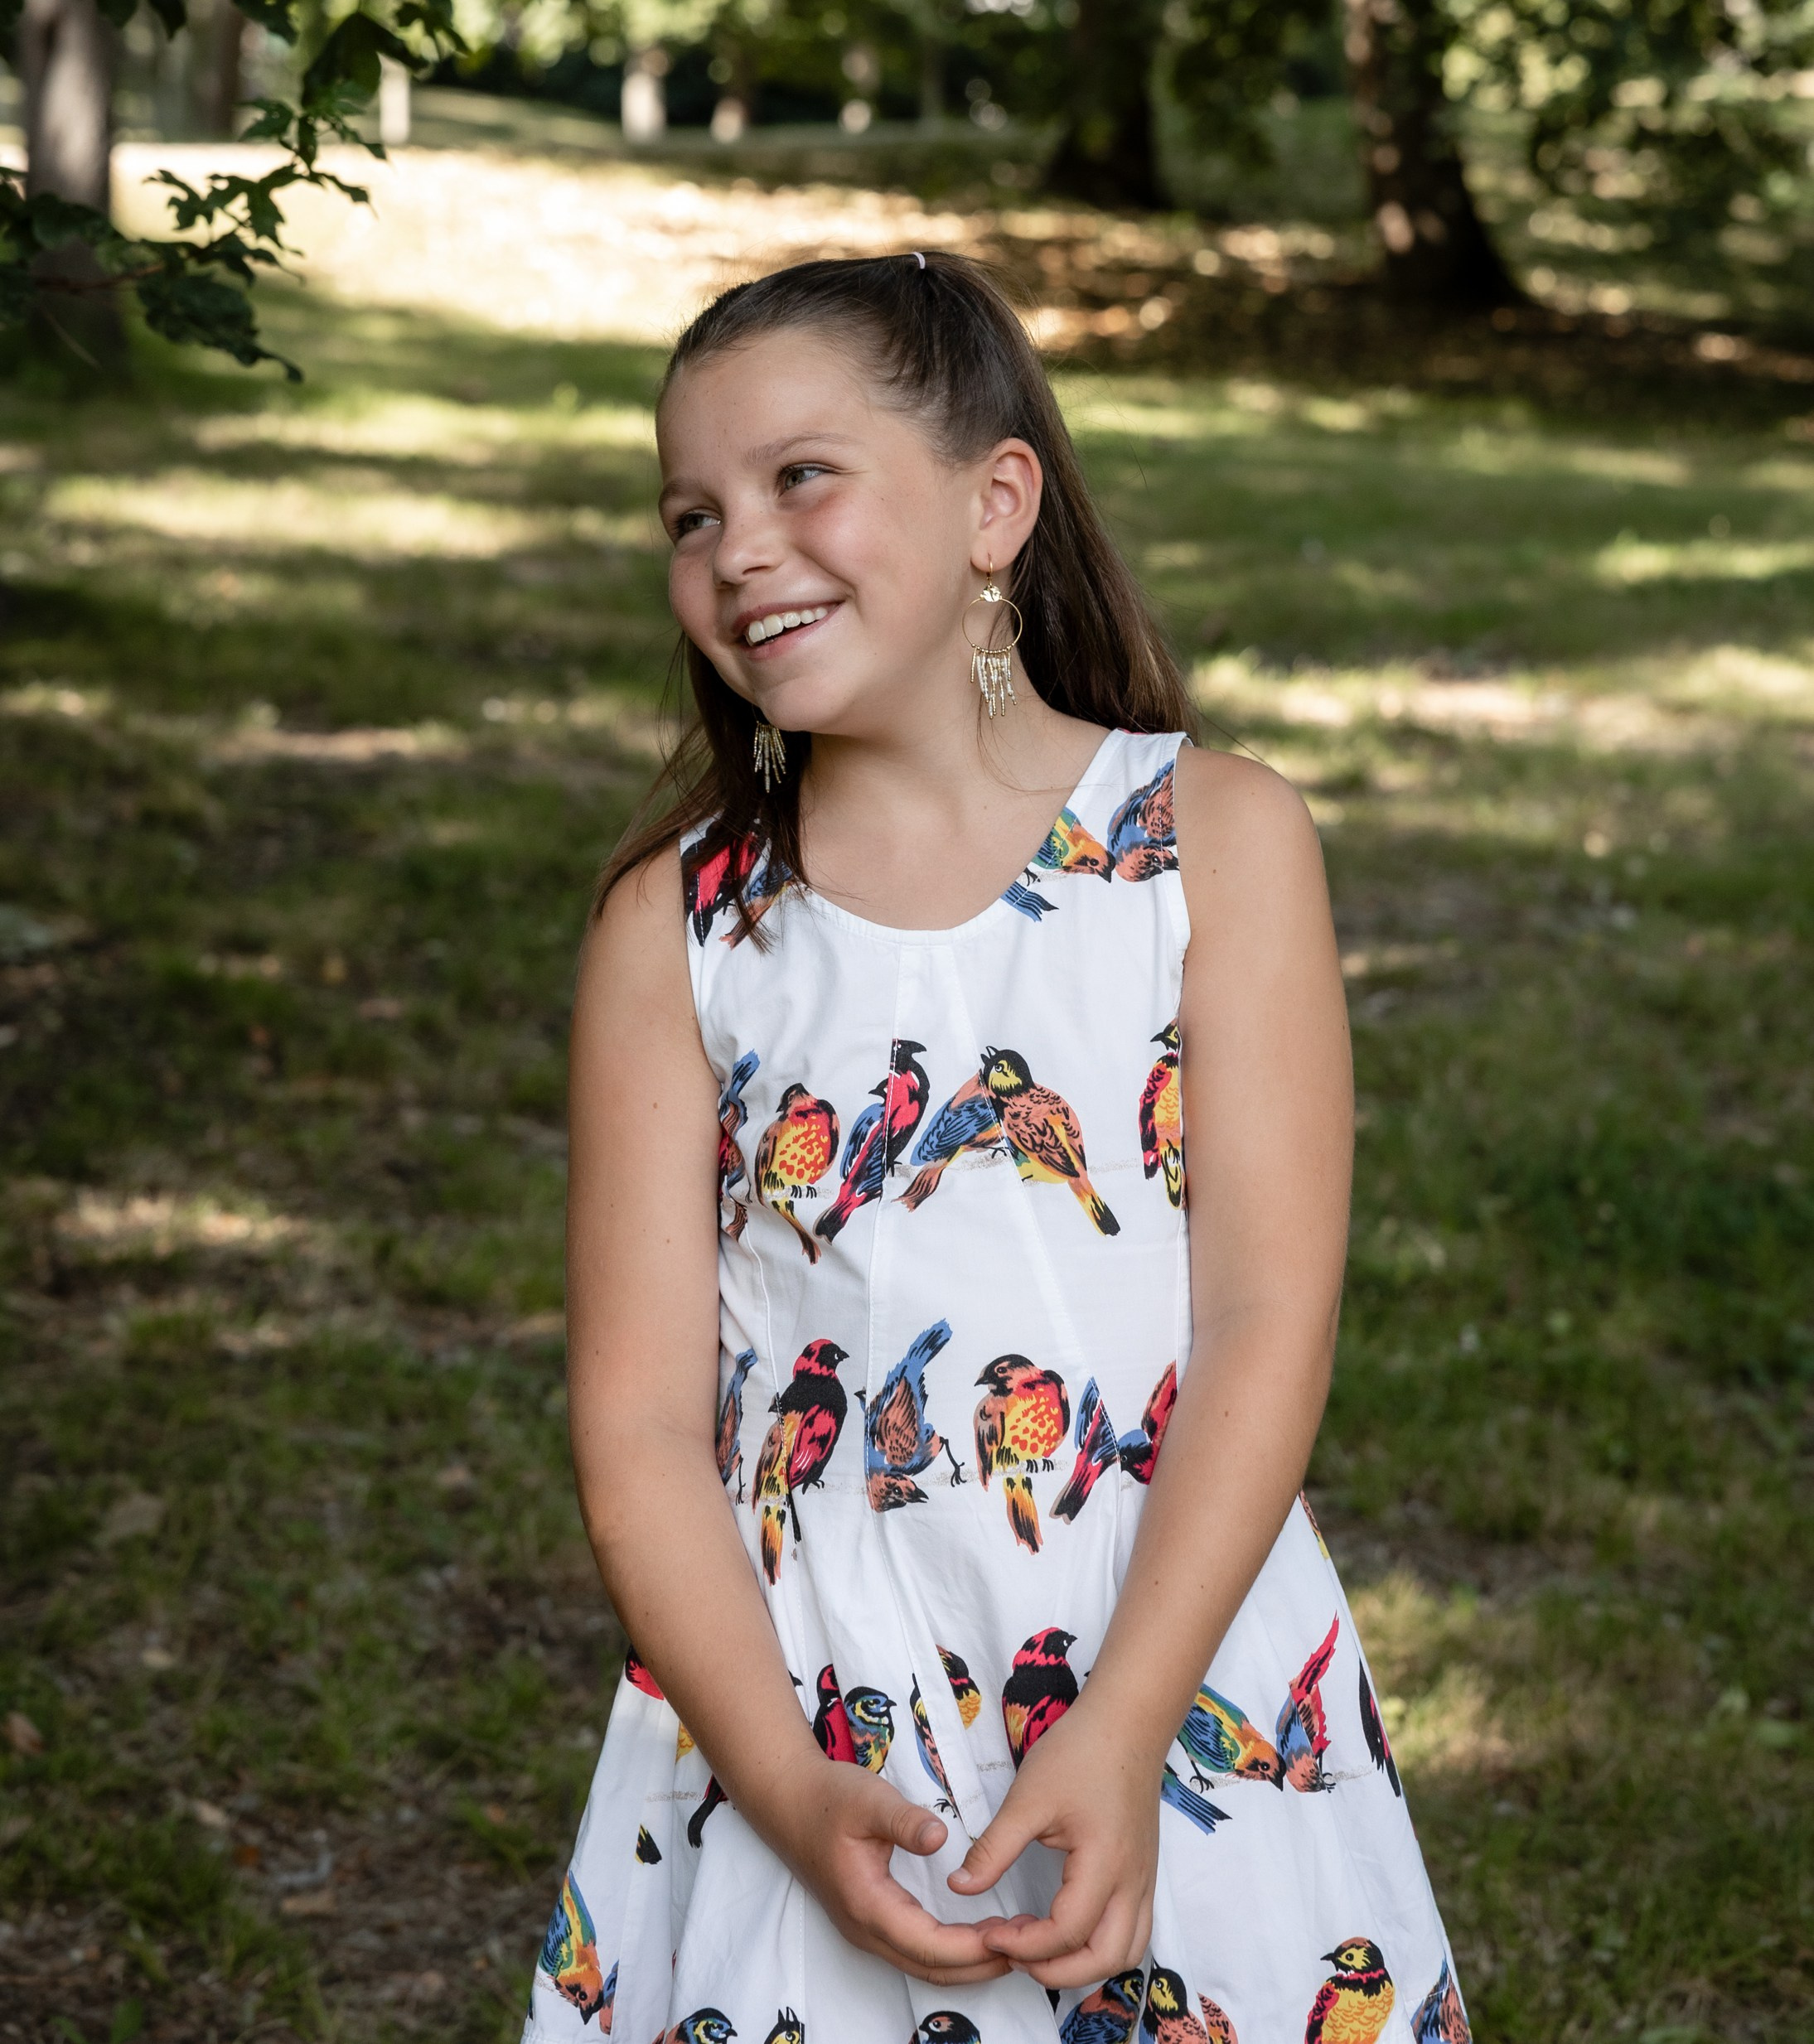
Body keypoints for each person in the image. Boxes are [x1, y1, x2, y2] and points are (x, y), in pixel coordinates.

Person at [524, 255, 1468, 2044]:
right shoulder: (683, 927)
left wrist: (1125, 1731)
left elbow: (1264, 1320)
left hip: (1165, 1650)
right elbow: (638, 1425)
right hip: (808, 1701)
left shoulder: (1210, 843)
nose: (737, 548)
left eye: (801, 477)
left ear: (994, 504)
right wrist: (784, 1785)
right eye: (691, 514)